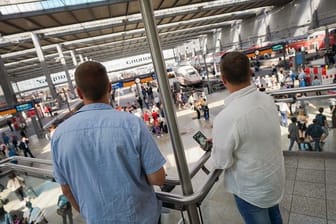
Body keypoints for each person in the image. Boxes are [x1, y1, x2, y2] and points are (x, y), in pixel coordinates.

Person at [51, 61, 166, 224]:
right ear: (109, 88)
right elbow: (157, 179)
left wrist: (89, 213)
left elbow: (66, 190)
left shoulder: (59, 136)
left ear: (79, 93)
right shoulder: (132, 124)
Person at [211, 52, 285, 224]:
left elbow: (221, 162)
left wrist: (218, 144)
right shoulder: (268, 100)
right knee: (275, 217)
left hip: (251, 191)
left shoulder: (226, 117)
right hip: (273, 181)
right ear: (250, 72)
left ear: (223, 79)